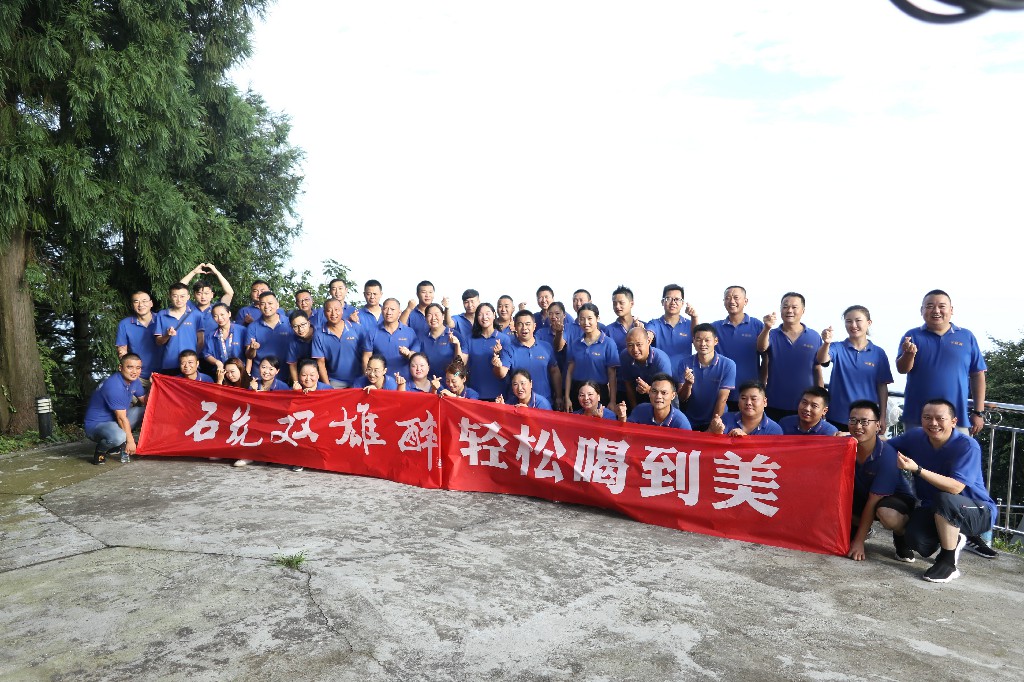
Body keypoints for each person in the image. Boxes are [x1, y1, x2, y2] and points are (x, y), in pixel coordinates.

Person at [884, 399, 998, 582]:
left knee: (945, 499)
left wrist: (918, 469)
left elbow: (956, 487)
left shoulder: (967, 446)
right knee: (916, 540)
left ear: (953, 421)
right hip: (934, 507)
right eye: (927, 418)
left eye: (940, 418)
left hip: (977, 509)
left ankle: (948, 561)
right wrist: (853, 436)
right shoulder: (916, 437)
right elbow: (886, 445)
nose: (933, 423)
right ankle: (956, 537)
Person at [897, 289, 987, 434]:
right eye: (930, 306)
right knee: (915, 449)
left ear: (951, 310)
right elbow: (902, 369)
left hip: (956, 418)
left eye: (942, 306)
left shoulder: (966, 336)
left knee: (958, 450)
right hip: (917, 417)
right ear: (922, 310)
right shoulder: (912, 335)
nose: (936, 311)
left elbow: (977, 374)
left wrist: (978, 412)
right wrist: (908, 354)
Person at [845, 400, 916, 561]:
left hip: (893, 500)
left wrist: (859, 542)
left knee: (887, 514)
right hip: (863, 496)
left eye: (865, 422)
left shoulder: (887, 456)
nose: (858, 426)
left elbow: (873, 500)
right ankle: (862, 529)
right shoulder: (844, 445)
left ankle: (902, 535)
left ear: (877, 425)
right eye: (853, 420)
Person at [817, 305, 893, 432]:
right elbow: (822, 359)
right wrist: (826, 343)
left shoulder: (878, 353)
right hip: (837, 416)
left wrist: (882, 417)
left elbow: (882, 387)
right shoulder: (837, 347)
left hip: (866, 419)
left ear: (869, 323)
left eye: (858, 321)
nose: (853, 325)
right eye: (848, 321)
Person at [757, 292, 823, 422]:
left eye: (794, 307)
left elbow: (817, 368)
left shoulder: (814, 336)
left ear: (803, 310)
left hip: (805, 406)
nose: (789, 310)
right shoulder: (772, 334)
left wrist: (821, 399)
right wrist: (767, 328)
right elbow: (761, 348)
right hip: (774, 402)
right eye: (785, 307)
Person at [84, 354, 146, 464]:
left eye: (138, 368)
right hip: (97, 425)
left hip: (116, 420)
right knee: (119, 437)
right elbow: (121, 418)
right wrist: (130, 441)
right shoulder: (114, 386)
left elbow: (145, 402)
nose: (134, 372)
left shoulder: (135, 381)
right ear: (120, 367)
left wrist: (155, 385)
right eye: (130, 367)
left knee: (146, 411)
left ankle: (116, 446)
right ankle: (101, 451)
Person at [712, 286, 765, 410]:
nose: (732, 301)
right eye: (727, 298)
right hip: (720, 390)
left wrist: (762, 384)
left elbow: (766, 358)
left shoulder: (757, 325)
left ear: (745, 301)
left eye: (736, 297)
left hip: (749, 392)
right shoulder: (715, 327)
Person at [495, 309, 562, 408]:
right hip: (517, 403)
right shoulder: (509, 349)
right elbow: (502, 373)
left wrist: (559, 396)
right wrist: (497, 366)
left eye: (527, 324)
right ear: (515, 327)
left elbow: (555, 371)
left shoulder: (546, 347)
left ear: (534, 326)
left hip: (543, 403)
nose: (524, 328)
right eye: (520, 324)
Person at [676, 323, 736, 431]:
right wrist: (688, 384)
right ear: (693, 341)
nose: (703, 344)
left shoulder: (728, 365)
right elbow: (682, 398)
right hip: (690, 419)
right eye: (698, 340)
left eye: (707, 340)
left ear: (715, 341)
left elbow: (722, 399)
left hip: (717, 419)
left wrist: (711, 428)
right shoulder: (684, 363)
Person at [564, 303, 619, 411]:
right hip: (578, 392)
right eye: (582, 319)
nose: (586, 323)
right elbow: (569, 372)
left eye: (589, 318)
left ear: (597, 318)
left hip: (599, 392)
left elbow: (612, 375)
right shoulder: (575, 343)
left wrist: (612, 401)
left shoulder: (608, 343)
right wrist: (567, 397)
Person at [457, 302, 510, 400]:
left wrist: (497, 358)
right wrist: (457, 345)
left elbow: (502, 374)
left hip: (498, 396)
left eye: (487, 313)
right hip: (474, 395)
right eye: (480, 314)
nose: (484, 317)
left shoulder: (504, 339)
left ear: (494, 315)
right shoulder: (469, 339)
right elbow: (461, 364)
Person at [312, 298, 368, 388]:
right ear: (324, 313)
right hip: (335, 381)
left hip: (359, 379)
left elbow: (367, 355)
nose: (333, 314)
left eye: (336, 310)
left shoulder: (356, 328)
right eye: (329, 310)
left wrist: (365, 379)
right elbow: (320, 363)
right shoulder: (319, 334)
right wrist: (328, 387)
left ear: (342, 311)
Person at [179, 262, 234, 349]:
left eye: (206, 293)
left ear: (212, 295)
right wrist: (193, 272)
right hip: (191, 350)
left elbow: (229, 293)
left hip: (213, 351)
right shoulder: (188, 307)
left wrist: (217, 273)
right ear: (194, 295)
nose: (203, 297)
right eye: (199, 293)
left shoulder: (218, 309)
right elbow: (179, 289)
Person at [646, 284, 699, 373]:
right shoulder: (654, 323)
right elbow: (649, 334)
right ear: (662, 302)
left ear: (682, 303)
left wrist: (695, 317)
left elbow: (699, 341)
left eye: (677, 299)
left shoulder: (690, 324)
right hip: (660, 376)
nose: (673, 302)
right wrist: (644, 335)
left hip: (684, 376)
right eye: (668, 299)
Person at [618, 327, 673, 410]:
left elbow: (667, 392)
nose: (635, 349)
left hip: (663, 396)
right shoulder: (625, 356)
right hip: (638, 394)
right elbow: (628, 385)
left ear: (649, 341)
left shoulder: (661, 361)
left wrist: (649, 390)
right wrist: (635, 410)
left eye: (639, 344)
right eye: (630, 345)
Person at [615, 373, 691, 429]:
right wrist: (622, 418)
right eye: (654, 391)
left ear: (673, 396)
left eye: (664, 393)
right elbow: (626, 436)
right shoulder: (640, 410)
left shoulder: (681, 423)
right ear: (649, 393)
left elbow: (688, 445)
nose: (658, 396)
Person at [707, 380, 783, 436]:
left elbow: (772, 453)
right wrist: (714, 433)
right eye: (743, 398)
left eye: (753, 399)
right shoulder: (726, 419)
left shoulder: (774, 430)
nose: (748, 403)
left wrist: (746, 440)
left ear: (765, 402)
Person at [115, 290, 159, 386]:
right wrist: (131, 372)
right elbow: (122, 350)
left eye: (144, 301)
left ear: (151, 303)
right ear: (132, 305)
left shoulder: (161, 319)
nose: (140, 305)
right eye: (136, 302)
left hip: (163, 376)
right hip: (138, 377)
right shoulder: (125, 324)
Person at [369, 297, 420, 379]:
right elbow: (366, 357)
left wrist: (408, 354)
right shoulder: (372, 332)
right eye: (386, 309)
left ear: (399, 312)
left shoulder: (409, 332)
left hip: (405, 380)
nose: (389, 312)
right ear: (382, 311)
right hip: (380, 381)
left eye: (392, 309)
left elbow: (417, 357)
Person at [153, 283, 200, 372]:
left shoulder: (196, 315)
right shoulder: (161, 315)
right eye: (175, 296)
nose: (179, 300)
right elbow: (158, 342)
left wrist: (194, 357)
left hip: (190, 365)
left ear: (188, 297)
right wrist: (167, 335)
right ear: (169, 297)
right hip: (169, 363)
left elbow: (201, 341)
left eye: (182, 296)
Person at [244, 291, 295, 371]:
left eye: (270, 303)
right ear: (259, 306)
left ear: (277, 305)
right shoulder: (252, 327)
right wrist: (252, 349)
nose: (266, 306)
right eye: (263, 304)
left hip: (286, 372)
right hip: (261, 373)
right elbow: (249, 356)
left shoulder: (290, 323)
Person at [203, 302, 247, 376]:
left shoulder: (242, 331)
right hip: (222, 373)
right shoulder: (211, 335)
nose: (219, 318)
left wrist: (247, 372)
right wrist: (217, 362)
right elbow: (206, 354)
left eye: (222, 314)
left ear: (229, 314)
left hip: (241, 373)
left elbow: (249, 354)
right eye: (215, 316)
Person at [418, 302, 461, 376]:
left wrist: (457, 344)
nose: (433, 318)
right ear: (425, 318)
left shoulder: (455, 335)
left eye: (436, 314)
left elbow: (461, 365)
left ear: (443, 316)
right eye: (429, 315)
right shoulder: (421, 337)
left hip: (448, 381)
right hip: (428, 381)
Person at [607, 285, 642, 353]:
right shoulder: (608, 330)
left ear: (631, 304)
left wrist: (640, 331)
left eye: (621, 303)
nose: (617, 306)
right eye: (614, 304)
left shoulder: (643, 326)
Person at [286, 310, 316, 387]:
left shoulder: (319, 334)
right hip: (303, 374)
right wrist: (296, 383)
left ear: (308, 323)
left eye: (303, 324)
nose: (300, 329)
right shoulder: (292, 341)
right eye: (295, 326)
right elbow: (292, 364)